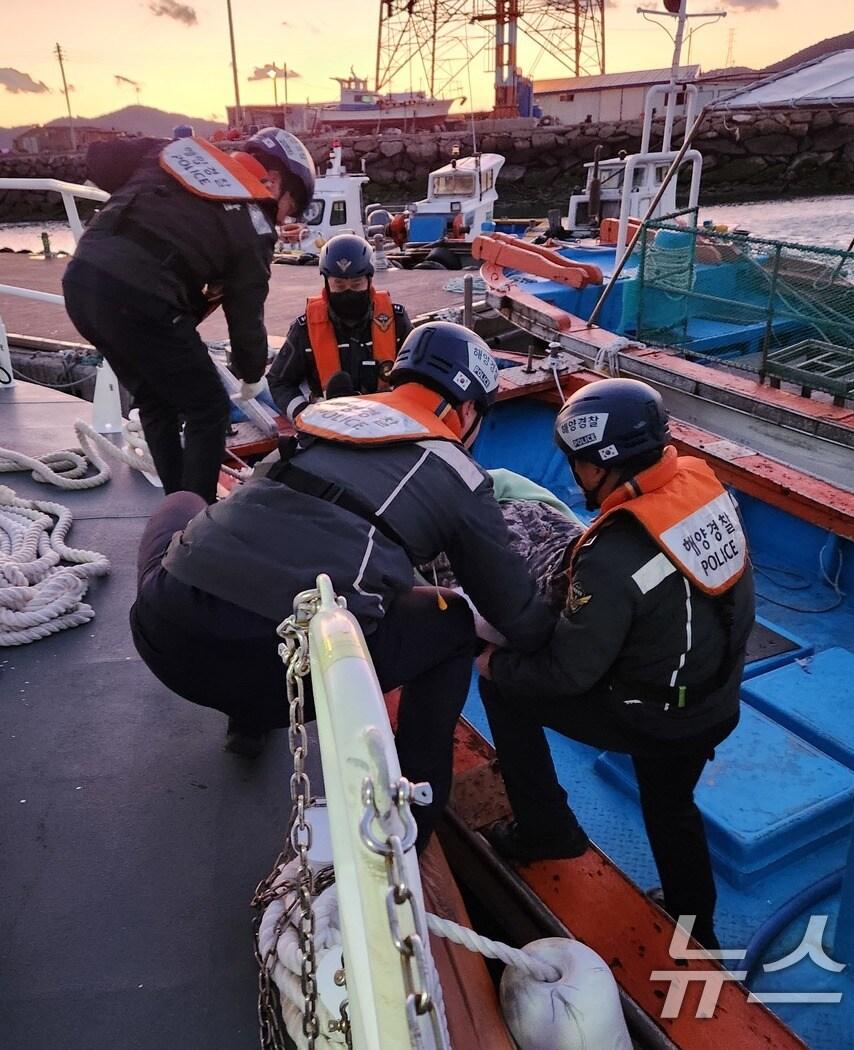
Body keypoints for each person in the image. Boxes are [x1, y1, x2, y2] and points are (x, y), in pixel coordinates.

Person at [130, 321, 554, 844]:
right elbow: (515, 613)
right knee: (453, 623)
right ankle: (416, 814)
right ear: (468, 411)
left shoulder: (322, 422)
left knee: (182, 504)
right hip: (285, 682)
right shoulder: (459, 474)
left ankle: (245, 726)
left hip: (166, 638)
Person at [476, 378, 754, 951]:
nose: (574, 476)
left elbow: (567, 674)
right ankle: (696, 922)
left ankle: (545, 829)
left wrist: (491, 661)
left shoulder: (612, 553)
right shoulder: (701, 487)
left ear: (602, 465)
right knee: (671, 801)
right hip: (718, 699)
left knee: (507, 686)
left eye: (577, 464)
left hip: (657, 717)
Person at [62, 128, 316, 502]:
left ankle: (175, 503)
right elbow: (246, 316)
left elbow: (101, 157)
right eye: (287, 209)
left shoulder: (177, 153)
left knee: (155, 400)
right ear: (275, 182)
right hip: (141, 297)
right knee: (209, 406)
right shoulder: (255, 223)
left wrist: (156, 157)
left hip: (82, 282)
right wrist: (250, 374)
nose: (280, 221)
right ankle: (195, 516)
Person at [266, 233, 411, 418]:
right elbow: (279, 382)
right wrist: (303, 414)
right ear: (326, 284)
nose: (348, 292)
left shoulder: (396, 319)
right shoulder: (305, 329)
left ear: (369, 281)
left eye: (357, 284)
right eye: (339, 286)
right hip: (330, 427)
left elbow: (419, 375)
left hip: (390, 421)